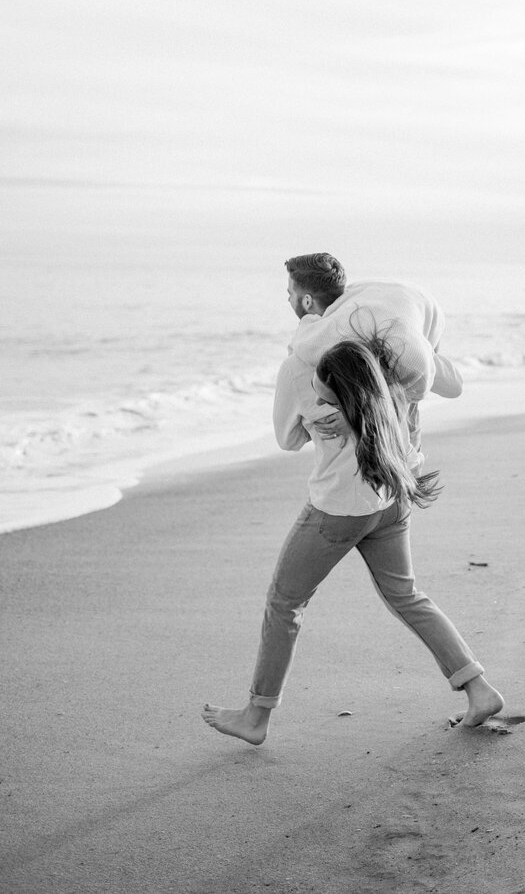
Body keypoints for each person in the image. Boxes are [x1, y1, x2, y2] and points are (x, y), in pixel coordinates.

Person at [201, 254, 503, 746]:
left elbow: (286, 438)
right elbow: (426, 389)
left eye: (287, 293)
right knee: (407, 596)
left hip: (339, 508)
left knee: (285, 604)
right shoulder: (386, 346)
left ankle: (256, 717)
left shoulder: (302, 363)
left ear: (303, 299)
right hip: (391, 494)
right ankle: (479, 689)